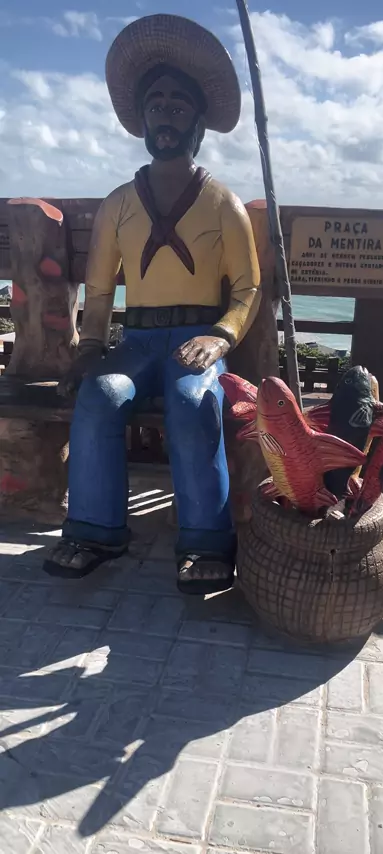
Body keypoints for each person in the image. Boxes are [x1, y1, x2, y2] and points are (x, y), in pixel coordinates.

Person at [43, 14, 261, 594]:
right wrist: (91, 346)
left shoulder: (223, 204)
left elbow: (248, 289)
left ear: (197, 122)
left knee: (194, 401)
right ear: (142, 118)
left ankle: (207, 540)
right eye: (156, 104)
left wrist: (221, 335)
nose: (166, 115)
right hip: (137, 340)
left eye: (179, 105)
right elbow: (99, 289)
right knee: (101, 394)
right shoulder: (119, 204)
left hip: (197, 337)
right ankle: (95, 531)